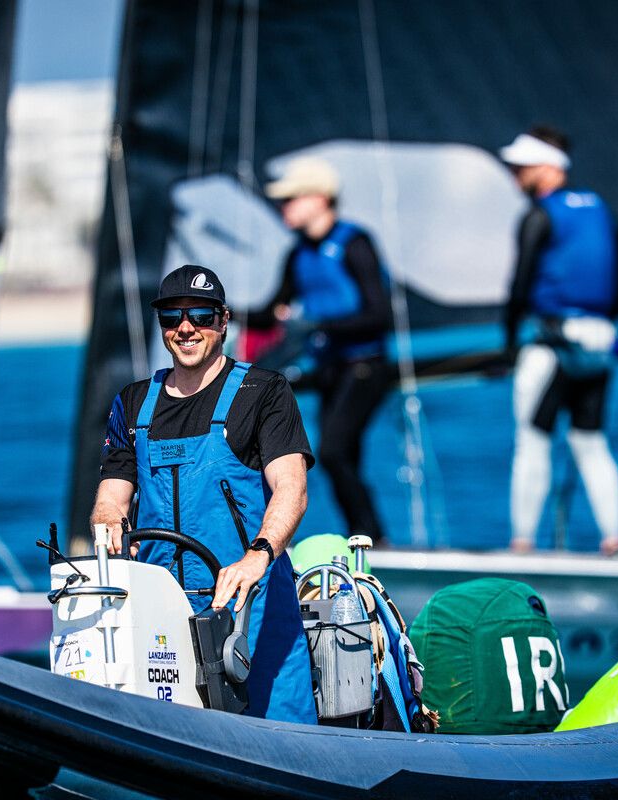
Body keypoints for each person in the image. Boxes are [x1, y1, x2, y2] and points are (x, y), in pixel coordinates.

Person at [90, 263, 317, 724]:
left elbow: (291, 487)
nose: (186, 328)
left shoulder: (263, 391)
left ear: (223, 320)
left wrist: (258, 555)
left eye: (200, 315)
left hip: (249, 604)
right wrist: (107, 518)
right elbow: (111, 495)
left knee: (283, 742)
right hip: (161, 614)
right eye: (172, 318)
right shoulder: (133, 402)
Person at [499, 126, 618, 556]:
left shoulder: (538, 215)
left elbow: (519, 288)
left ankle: (522, 544)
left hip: (554, 344)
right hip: (600, 341)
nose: (515, 175)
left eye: (521, 168)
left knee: (532, 440)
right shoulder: (599, 208)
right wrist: (603, 320)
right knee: (591, 442)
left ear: (547, 168)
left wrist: (508, 347)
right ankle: (613, 540)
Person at [252, 156, 393, 545]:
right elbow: (269, 313)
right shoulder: (297, 255)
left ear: (319, 199)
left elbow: (378, 314)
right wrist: (219, 312)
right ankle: (366, 539)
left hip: (366, 365)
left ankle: (374, 539)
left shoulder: (354, 244)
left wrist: (317, 325)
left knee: (332, 451)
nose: (285, 207)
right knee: (341, 457)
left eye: (292, 198)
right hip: (332, 369)